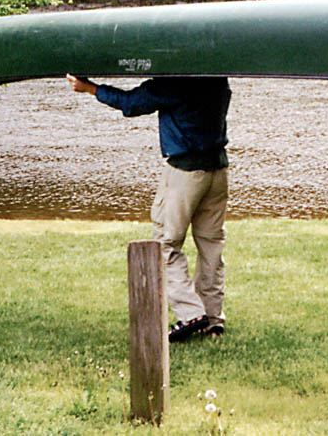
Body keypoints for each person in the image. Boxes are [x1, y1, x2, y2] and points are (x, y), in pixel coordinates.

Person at [66, 74, 231, 343]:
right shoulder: (217, 77)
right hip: (218, 170)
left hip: (185, 173)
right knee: (212, 244)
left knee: (165, 245)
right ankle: (213, 320)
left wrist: (91, 88)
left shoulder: (175, 81)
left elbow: (132, 103)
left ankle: (192, 314)